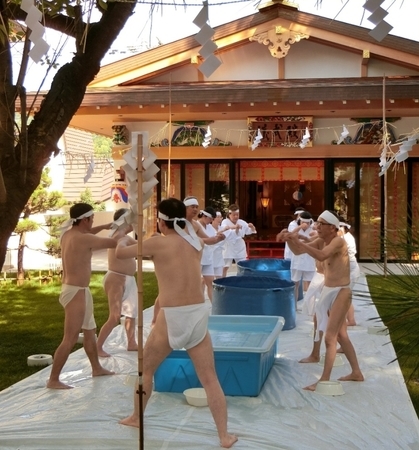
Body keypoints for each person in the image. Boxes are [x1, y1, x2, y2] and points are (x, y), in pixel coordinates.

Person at [116, 198, 238, 448]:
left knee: (147, 370)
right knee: (210, 379)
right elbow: (191, 237)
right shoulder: (196, 244)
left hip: (172, 316)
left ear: (161, 221)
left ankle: (136, 417)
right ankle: (224, 435)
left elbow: (120, 252)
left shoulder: (157, 244)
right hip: (197, 313)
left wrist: (123, 233)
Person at [277, 210, 364, 391]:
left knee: (331, 337)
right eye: (317, 223)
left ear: (332, 228)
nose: (316, 227)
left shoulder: (338, 241)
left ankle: (323, 380)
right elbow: (299, 251)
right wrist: (290, 240)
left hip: (341, 291)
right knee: (340, 335)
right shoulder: (322, 240)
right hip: (328, 290)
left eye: (320, 224)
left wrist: (298, 240)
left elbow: (321, 255)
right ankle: (356, 372)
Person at [47, 203, 120, 389]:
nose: (93, 222)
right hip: (75, 291)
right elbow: (113, 243)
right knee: (70, 338)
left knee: (90, 331)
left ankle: (96, 368)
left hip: (80, 290)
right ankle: (53, 379)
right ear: (85, 220)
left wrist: (103, 227)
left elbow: (89, 234)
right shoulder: (82, 239)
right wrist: (123, 229)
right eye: (92, 219)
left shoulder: (69, 234)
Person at [96, 208, 138, 357]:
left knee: (132, 313)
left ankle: (131, 342)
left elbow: (141, 246)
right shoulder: (118, 235)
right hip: (116, 279)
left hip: (129, 279)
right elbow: (139, 245)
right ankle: (98, 346)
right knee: (114, 316)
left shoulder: (123, 235)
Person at [289, 211, 316, 309]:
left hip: (309, 259)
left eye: (308, 223)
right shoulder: (295, 227)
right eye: (304, 223)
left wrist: (313, 229)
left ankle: (311, 307)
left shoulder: (313, 229)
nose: (306, 225)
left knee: (310, 284)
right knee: (295, 283)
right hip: (297, 259)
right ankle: (294, 306)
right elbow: (290, 235)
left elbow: (316, 239)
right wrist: (300, 227)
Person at [221, 204, 257, 277]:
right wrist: (235, 227)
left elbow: (249, 231)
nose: (236, 217)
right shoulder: (225, 222)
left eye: (237, 215)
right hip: (228, 245)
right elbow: (226, 230)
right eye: (234, 215)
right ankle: (221, 281)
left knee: (243, 266)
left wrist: (252, 227)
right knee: (225, 266)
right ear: (229, 214)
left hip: (239, 246)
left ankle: (242, 281)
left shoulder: (241, 222)